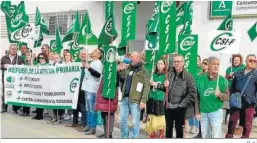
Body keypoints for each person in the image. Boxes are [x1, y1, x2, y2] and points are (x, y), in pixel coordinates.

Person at [118, 51, 150, 138]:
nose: (130, 58)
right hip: (125, 99)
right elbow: (123, 79)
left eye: (132, 56)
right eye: (130, 56)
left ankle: (133, 138)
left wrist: (143, 100)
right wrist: (120, 71)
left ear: (138, 58)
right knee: (121, 120)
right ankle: (124, 136)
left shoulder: (144, 72)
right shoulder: (128, 69)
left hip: (136, 100)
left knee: (135, 122)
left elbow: (146, 87)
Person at [163, 54, 197, 138]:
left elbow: (192, 93)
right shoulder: (169, 73)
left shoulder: (188, 76)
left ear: (183, 63)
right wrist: (163, 85)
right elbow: (166, 89)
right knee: (168, 128)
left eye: (179, 61)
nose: (177, 63)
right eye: (175, 61)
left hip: (180, 108)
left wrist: (182, 105)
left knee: (179, 129)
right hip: (168, 107)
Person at [196, 56, 229, 138]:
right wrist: (197, 111)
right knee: (205, 135)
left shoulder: (222, 80)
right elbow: (196, 97)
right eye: (214, 64)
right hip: (203, 112)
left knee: (216, 135)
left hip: (216, 112)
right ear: (208, 65)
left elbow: (228, 97)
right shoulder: (200, 78)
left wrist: (220, 94)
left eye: (218, 64)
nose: (216, 66)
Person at [225, 54, 257, 138]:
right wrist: (232, 97)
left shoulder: (256, 74)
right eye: (250, 60)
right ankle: (229, 137)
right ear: (246, 61)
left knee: (247, 123)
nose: (253, 62)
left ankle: (245, 138)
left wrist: (255, 102)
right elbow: (232, 87)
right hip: (237, 101)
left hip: (249, 103)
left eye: (255, 61)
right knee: (232, 120)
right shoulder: (238, 73)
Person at [81, 48, 104, 135]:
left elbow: (97, 75)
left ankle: (93, 127)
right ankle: (89, 124)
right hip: (87, 88)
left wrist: (89, 67)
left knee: (92, 109)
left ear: (98, 55)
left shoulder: (98, 63)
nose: (92, 51)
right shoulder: (92, 62)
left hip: (92, 88)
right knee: (88, 108)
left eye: (95, 51)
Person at [66, 50, 87, 130]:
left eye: (85, 54)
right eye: (81, 54)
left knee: (82, 106)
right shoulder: (76, 63)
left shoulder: (89, 64)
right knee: (75, 105)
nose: (83, 55)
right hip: (75, 85)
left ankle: (83, 124)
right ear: (79, 55)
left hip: (83, 86)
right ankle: (75, 122)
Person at [145, 59, 166, 138]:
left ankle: (161, 131)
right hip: (151, 97)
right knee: (151, 115)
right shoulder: (152, 74)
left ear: (164, 65)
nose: (159, 65)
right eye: (158, 63)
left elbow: (165, 87)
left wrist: (156, 84)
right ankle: (152, 131)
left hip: (160, 98)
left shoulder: (166, 75)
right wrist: (149, 82)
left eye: (161, 64)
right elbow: (148, 85)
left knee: (160, 116)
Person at [1, 44, 23, 113]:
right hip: (6, 79)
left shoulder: (19, 58)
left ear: (17, 50)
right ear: (9, 49)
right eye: (12, 49)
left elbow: (23, 67)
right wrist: (5, 65)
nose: (14, 50)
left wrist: (19, 66)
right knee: (5, 93)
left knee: (15, 93)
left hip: (15, 79)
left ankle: (15, 108)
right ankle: (4, 107)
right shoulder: (4, 58)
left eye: (15, 49)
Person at [224, 54, 245, 126]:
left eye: (237, 60)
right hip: (231, 89)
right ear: (232, 60)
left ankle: (240, 122)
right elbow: (226, 79)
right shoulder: (229, 69)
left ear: (240, 61)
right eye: (234, 60)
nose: (235, 61)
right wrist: (229, 76)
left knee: (240, 105)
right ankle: (232, 119)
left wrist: (235, 73)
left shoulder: (243, 67)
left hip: (240, 90)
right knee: (233, 104)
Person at [32, 53, 49, 120]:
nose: (41, 59)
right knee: (37, 100)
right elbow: (31, 68)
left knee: (41, 100)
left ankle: (40, 115)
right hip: (37, 85)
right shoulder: (38, 65)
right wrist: (33, 58)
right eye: (39, 58)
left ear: (45, 58)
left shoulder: (48, 65)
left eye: (42, 58)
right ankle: (38, 114)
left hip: (44, 85)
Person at [19, 51, 33, 116]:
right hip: (24, 82)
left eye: (29, 55)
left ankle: (27, 111)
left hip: (31, 83)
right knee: (24, 97)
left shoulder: (34, 63)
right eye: (26, 55)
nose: (27, 57)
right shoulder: (24, 63)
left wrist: (31, 63)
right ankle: (24, 111)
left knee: (29, 97)